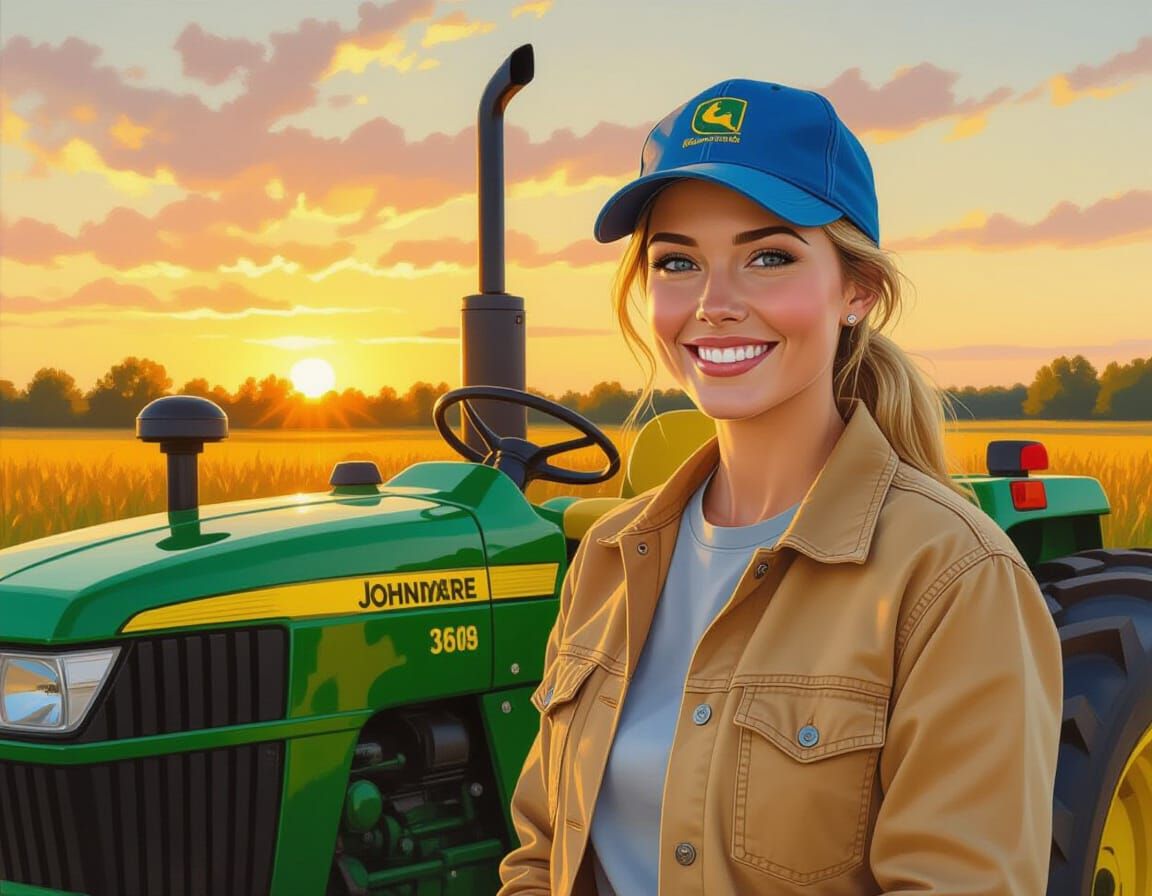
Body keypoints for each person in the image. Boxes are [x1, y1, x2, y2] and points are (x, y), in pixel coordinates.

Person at [497, 78, 1062, 895]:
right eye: (678, 262)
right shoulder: (609, 562)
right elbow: (540, 856)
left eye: (769, 257)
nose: (714, 304)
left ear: (857, 291)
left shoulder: (952, 578)